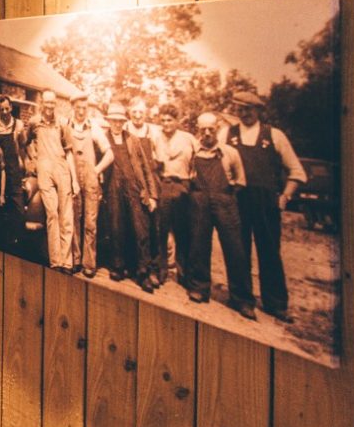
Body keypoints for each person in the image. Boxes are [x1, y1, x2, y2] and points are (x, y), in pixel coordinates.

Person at [227, 90, 307, 323]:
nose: (244, 113)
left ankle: (276, 304)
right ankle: (242, 299)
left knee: (270, 252)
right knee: (239, 250)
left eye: (249, 109)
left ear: (258, 111)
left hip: (266, 204)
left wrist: (285, 197)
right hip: (238, 201)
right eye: (240, 109)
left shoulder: (274, 135)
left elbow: (297, 171)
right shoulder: (227, 134)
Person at [187, 112, 253, 315]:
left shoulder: (229, 153)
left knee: (235, 249)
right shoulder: (192, 152)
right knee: (199, 244)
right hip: (200, 203)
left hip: (225, 202)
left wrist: (225, 198)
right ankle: (199, 288)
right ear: (198, 129)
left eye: (211, 129)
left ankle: (241, 299)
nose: (207, 133)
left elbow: (241, 182)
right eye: (203, 129)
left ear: (217, 128)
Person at [100, 101, 160, 286]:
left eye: (120, 121)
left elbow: (146, 168)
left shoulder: (132, 139)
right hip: (112, 189)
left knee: (140, 229)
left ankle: (143, 272)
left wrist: (152, 195)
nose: (117, 124)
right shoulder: (103, 139)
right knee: (117, 228)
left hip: (134, 188)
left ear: (123, 122)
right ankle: (118, 267)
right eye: (114, 121)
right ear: (109, 121)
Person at [27, 91, 79, 272]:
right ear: (41, 102)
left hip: (62, 168)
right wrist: (34, 160)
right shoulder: (34, 122)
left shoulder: (63, 123)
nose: (49, 106)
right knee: (52, 215)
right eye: (47, 103)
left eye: (52, 103)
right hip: (44, 170)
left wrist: (75, 181)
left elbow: (70, 151)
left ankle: (66, 263)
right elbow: (25, 142)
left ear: (55, 104)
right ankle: (55, 261)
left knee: (66, 216)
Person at [152, 104, 199, 288]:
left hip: (183, 186)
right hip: (164, 185)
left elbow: (200, 158)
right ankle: (161, 270)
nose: (166, 124)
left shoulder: (188, 138)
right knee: (160, 230)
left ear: (176, 121)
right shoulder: (157, 138)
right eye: (163, 120)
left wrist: (193, 179)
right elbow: (153, 163)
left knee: (182, 231)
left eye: (169, 120)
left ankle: (184, 273)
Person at [65, 95, 112, 278]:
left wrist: (96, 169)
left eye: (84, 107)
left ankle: (89, 264)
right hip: (73, 179)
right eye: (78, 107)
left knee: (90, 223)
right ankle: (76, 260)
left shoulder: (94, 129)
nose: (82, 111)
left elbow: (109, 153)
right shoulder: (67, 126)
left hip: (91, 181)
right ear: (73, 107)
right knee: (74, 219)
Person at [0, 96, 29, 240]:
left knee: (18, 207)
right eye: (2, 109)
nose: (5, 112)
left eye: (7, 109)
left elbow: (23, 146)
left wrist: (23, 164)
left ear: (11, 108)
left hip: (13, 171)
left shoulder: (18, 125)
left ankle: (18, 241)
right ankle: (0, 240)